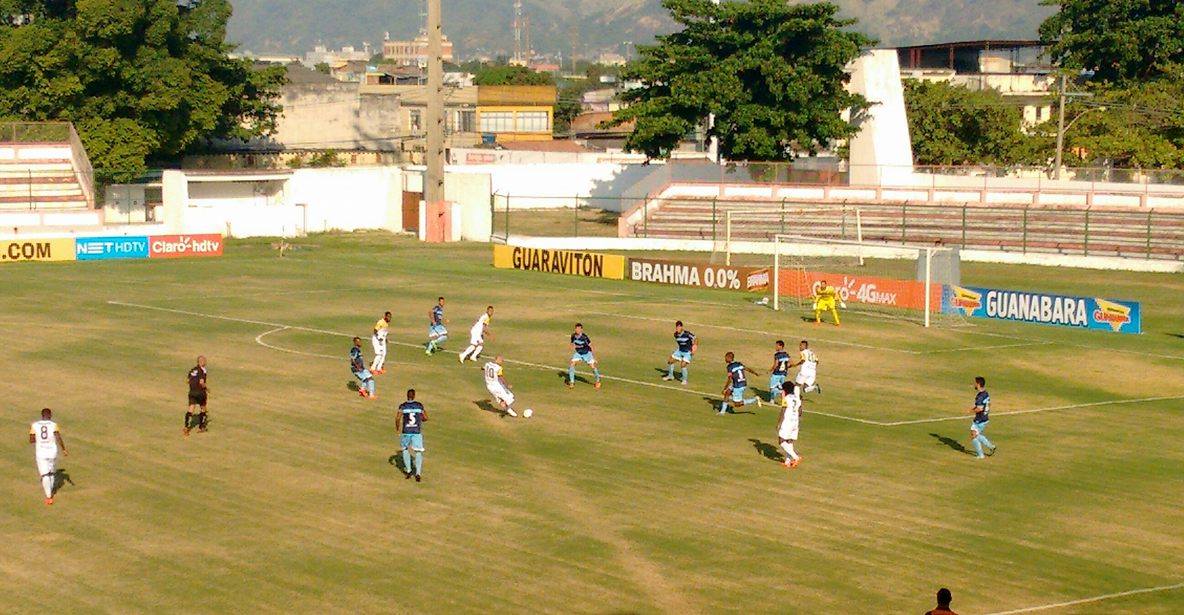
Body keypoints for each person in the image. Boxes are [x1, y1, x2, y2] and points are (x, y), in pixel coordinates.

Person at [29, 408, 67, 505]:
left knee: (45, 475)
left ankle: (49, 496)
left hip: (41, 452)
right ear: (50, 415)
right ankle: (50, 491)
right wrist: (63, 449)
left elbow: (31, 440)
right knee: (51, 473)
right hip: (52, 452)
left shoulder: (35, 425)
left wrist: (39, 440)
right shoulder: (54, 425)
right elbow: (58, 437)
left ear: (42, 415)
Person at [397, 389, 427, 483]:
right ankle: (418, 473)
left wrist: (397, 429)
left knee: (405, 449)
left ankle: (409, 471)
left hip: (406, 431)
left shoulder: (403, 406)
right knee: (418, 451)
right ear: (414, 396)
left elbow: (397, 418)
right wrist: (420, 419)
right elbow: (425, 417)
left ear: (407, 395)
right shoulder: (419, 405)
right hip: (416, 431)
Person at [968, 376, 996, 459]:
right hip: (984, 417)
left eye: (975, 383)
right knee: (975, 434)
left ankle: (983, 453)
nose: (974, 385)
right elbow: (988, 404)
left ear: (979, 384)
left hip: (980, 419)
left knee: (974, 435)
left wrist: (971, 411)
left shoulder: (980, 396)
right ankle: (988, 449)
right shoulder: (985, 393)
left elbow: (979, 408)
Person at [567, 323, 602, 389]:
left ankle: (598, 381)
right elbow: (572, 343)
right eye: (576, 328)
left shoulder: (584, 337)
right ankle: (572, 382)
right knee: (572, 364)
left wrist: (594, 357)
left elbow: (591, 345)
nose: (577, 330)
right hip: (578, 353)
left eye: (579, 329)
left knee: (592, 366)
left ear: (581, 330)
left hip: (587, 353)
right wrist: (574, 346)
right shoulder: (573, 336)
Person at [777, 382, 803, 469]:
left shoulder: (786, 398)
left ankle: (796, 457)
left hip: (787, 421)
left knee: (781, 440)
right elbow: (800, 412)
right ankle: (787, 462)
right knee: (789, 441)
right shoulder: (797, 398)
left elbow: (783, 410)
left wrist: (779, 423)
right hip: (795, 421)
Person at [662, 321, 696, 385]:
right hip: (680, 351)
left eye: (679, 327)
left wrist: (694, 346)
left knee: (683, 365)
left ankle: (684, 380)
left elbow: (695, 338)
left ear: (681, 327)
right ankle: (670, 376)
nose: (677, 328)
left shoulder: (687, 334)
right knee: (670, 361)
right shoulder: (675, 335)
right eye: (676, 327)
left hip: (688, 352)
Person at [184, 356, 209, 436]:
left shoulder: (192, 370)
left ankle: (186, 427)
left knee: (191, 408)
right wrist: (207, 388)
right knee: (203, 407)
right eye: (204, 360)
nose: (206, 362)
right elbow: (201, 382)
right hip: (200, 392)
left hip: (192, 392)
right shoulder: (202, 370)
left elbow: (187, 381)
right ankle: (201, 427)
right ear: (201, 362)